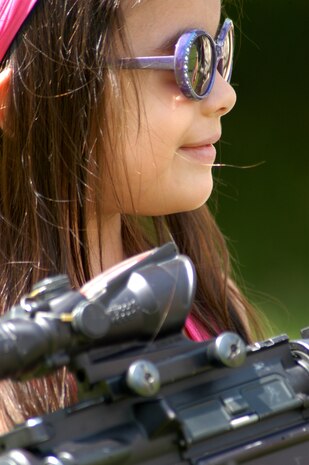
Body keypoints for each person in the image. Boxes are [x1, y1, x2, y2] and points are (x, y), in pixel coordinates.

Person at [0, 0, 264, 432]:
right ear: (30, 96)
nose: (224, 95)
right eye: (189, 58)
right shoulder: (8, 385)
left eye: (219, 52)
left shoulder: (207, 304)